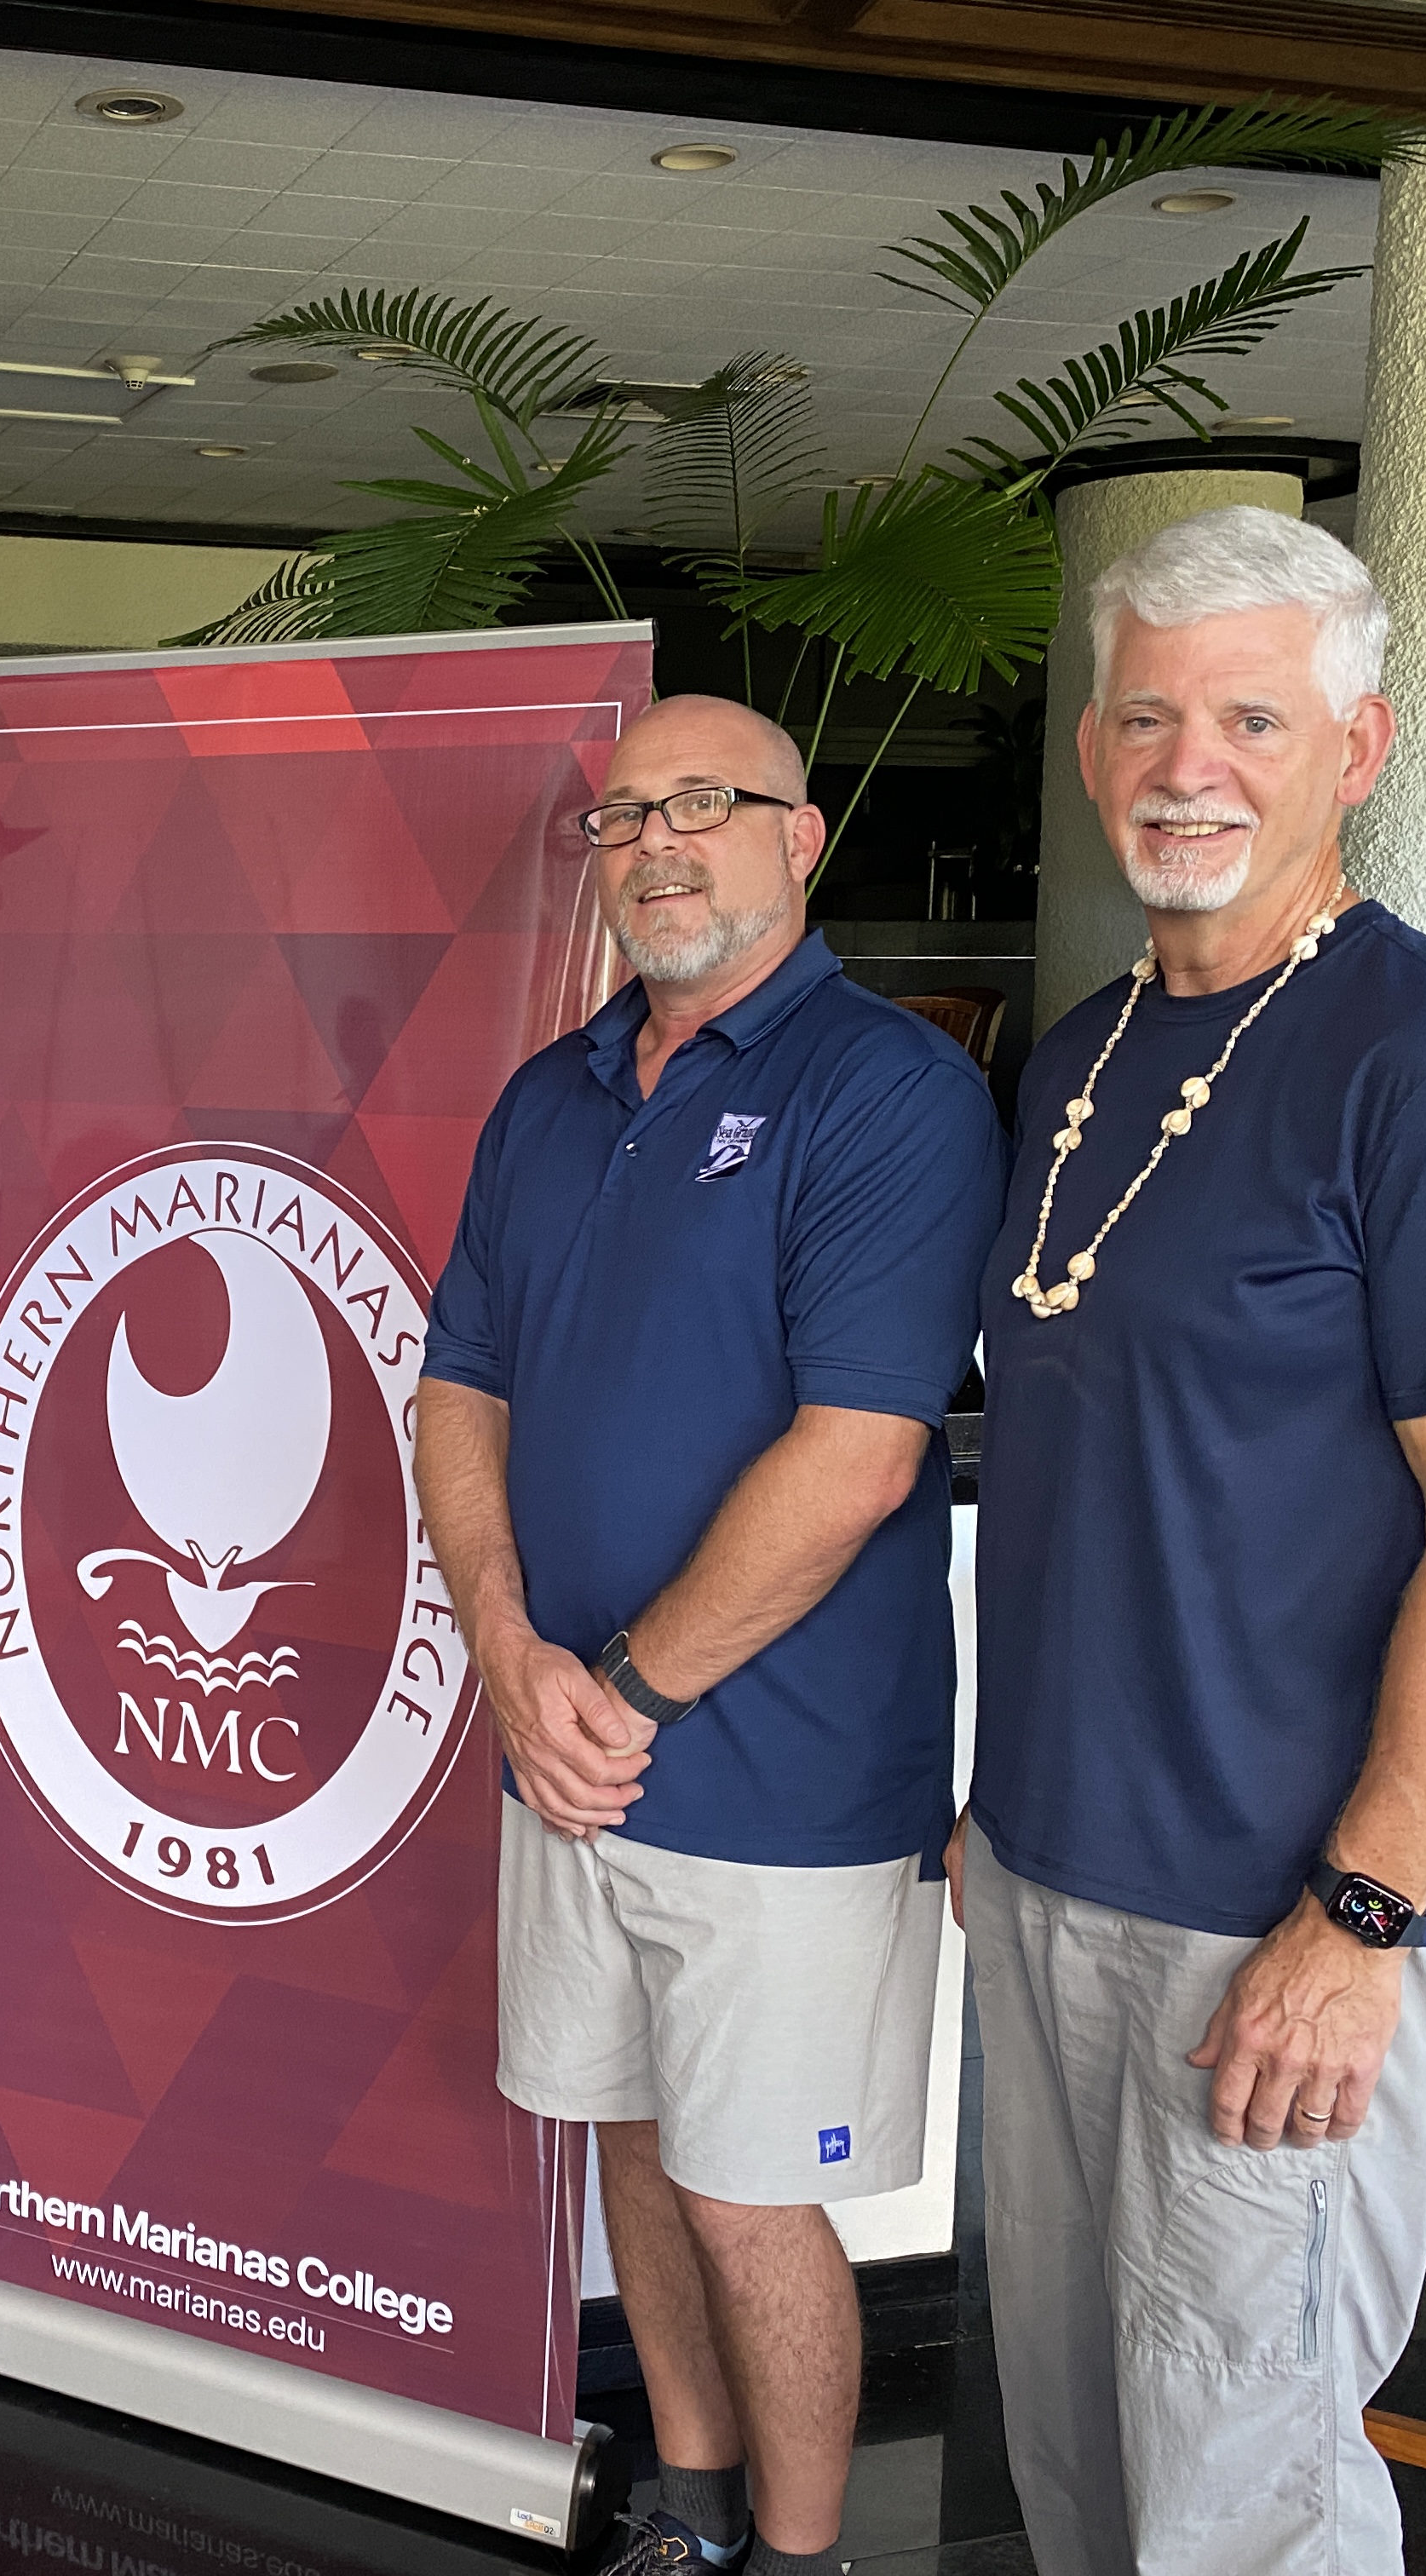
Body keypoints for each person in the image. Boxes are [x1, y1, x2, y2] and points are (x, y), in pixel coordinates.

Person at [954, 507, 1426, 2576]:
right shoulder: (1084, 1060)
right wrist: (1001, 1817)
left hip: (1279, 1919)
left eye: (1250, 718)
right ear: (1090, 752)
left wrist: (1363, 1915)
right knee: (1078, 2456)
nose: (1187, 767)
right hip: (1048, 1869)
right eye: (1147, 717)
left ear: (1358, 747)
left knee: (1248, 2490)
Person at [419, 696, 1005, 2576]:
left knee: (753, 2193)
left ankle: (807, 2553)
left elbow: (860, 1455)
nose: (657, 843)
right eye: (622, 817)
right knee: (630, 2140)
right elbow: (459, 1389)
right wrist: (509, 1653)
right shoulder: (551, 1096)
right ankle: (688, 2504)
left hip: (781, 1777)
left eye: (705, 804)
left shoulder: (888, 1091)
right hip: (566, 1752)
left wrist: (620, 1692)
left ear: (799, 838)